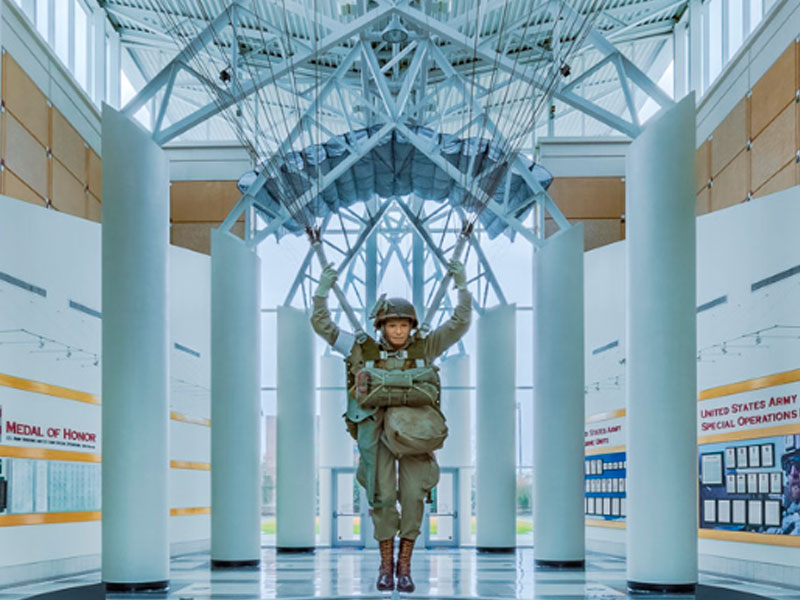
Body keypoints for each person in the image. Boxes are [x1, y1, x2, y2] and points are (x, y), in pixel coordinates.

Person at [311, 259, 471, 592]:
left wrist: (462, 287)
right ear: (381, 326)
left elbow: (459, 322)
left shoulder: (425, 346)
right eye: (392, 325)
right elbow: (322, 324)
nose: (398, 331)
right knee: (382, 498)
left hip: (415, 435)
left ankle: (404, 567)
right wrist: (322, 293)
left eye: (403, 326)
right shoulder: (360, 348)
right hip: (374, 433)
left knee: (413, 497)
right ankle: (385, 567)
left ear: (411, 326)